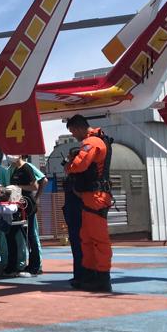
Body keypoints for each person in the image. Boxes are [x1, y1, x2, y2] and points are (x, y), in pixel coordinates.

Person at [64, 114, 115, 292]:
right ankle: (91, 275)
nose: (73, 135)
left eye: (72, 132)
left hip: (96, 197)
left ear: (78, 128)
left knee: (98, 240)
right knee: (87, 238)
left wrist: (69, 166)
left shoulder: (92, 143)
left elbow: (80, 165)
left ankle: (102, 278)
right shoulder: (97, 141)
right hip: (91, 196)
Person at [10, 155, 47, 275]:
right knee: (19, 235)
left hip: (28, 206)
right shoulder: (15, 170)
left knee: (31, 235)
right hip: (18, 206)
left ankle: (36, 266)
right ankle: (18, 264)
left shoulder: (26, 168)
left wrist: (19, 188)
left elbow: (35, 185)